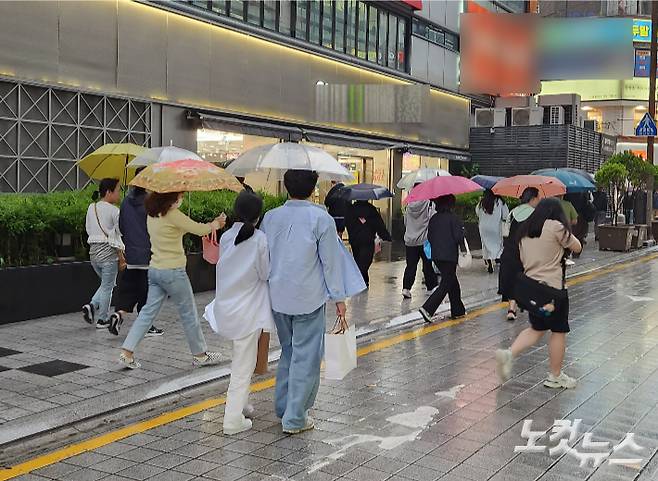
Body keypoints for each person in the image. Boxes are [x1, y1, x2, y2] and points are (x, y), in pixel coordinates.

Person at [260, 170, 351, 434]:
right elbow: (330, 264)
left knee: (289, 352)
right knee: (307, 358)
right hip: (308, 298)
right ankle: (295, 417)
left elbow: (264, 254)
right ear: (313, 189)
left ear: (286, 187)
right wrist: (339, 299)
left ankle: (283, 406)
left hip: (278, 296)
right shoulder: (321, 219)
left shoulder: (271, 217)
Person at [119, 191, 226, 369]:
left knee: (147, 313)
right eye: (180, 196)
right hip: (173, 272)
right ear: (171, 199)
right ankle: (200, 355)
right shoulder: (173, 214)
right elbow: (199, 229)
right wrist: (216, 223)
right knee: (189, 313)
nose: (181, 199)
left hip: (155, 270)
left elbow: (179, 229)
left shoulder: (153, 215)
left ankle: (126, 352)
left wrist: (208, 224)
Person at [204, 191, 274, 435]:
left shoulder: (227, 237)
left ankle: (242, 405)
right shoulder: (260, 239)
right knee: (243, 367)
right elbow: (265, 273)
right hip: (249, 311)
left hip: (227, 309)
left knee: (241, 358)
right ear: (258, 216)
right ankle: (232, 420)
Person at [496, 197, 582, 389]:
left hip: (533, 291)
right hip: (554, 291)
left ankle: (509, 354)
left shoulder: (525, 231)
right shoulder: (555, 227)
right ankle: (555, 376)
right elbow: (577, 247)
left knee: (537, 329)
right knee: (559, 331)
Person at [108, 179, 164, 337]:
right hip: (148, 254)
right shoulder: (150, 202)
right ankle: (146, 326)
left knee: (129, 290)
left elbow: (122, 227)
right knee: (147, 292)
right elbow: (157, 228)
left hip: (131, 254)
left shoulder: (126, 202)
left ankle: (118, 314)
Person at [418, 194, 467, 323]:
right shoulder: (454, 219)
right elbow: (458, 238)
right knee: (446, 283)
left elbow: (430, 237)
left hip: (437, 256)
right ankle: (428, 308)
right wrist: (462, 232)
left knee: (452, 282)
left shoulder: (434, 219)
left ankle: (458, 310)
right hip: (449, 256)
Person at [83, 178, 123, 330]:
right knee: (108, 287)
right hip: (108, 252)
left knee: (107, 284)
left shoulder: (91, 208)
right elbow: (120, 231)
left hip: (93, 253)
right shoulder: (115, 211)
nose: (119, 194)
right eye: (117, 190)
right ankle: (102, 319)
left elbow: (88, 229)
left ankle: (91, 306)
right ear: (108, 192)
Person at [498, 187, 540, 321]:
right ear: (533, 198)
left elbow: (505, 232)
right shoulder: (536, 214)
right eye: (538, 198)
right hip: (527, 252)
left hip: (510, 251)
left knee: (512, 279)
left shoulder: (513, 212)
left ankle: (512, 308)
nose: (539, 201)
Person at [345, 200, 392, 287]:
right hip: (368, 239)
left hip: (355, 240)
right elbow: (378, 224)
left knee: (358, 258)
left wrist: (352, 233)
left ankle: (363, 279)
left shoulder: (351, 209)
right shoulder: (371, 209)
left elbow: (347, 223)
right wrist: (385, 236)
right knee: (366, 260)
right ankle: (361, 279)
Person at [401, 189, 438, 299]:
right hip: (424, 240)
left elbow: (405, 222)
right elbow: (433, 220)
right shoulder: (429, 204)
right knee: (427, 264)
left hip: (410, 240)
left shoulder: (409, 205)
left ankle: (406, 288)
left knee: (411, 265)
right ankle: (431, 287)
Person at [476, 190, 509, 274]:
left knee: (485, 245)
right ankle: (498, 259)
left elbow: (477, 213)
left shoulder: (481, 203)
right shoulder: (499, 201)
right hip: (495, 227)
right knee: (498, 244)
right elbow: (506, 214)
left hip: (483, 228)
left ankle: (489, 263)